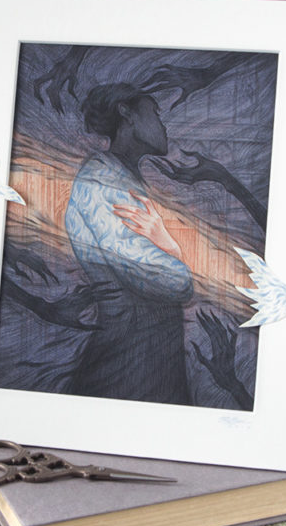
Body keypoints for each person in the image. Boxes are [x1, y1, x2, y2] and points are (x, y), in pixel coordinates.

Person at [64, 83, 194, 404]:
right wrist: (172, 249)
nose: (163, 125)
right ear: (127, 113)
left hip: (147, 360)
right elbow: (173, 282)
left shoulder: (121, 177)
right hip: (130, 366)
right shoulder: (103, 181)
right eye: (155, 113)